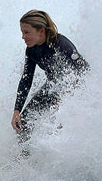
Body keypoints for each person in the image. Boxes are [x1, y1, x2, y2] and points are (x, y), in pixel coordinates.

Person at [11, 9, 89, 140]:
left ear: (41, 31)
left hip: (73, 91)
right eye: (22, 32)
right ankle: (24, 159)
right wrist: (17, 110)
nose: (23, 37)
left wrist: (72, 96)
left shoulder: (61, 44)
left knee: (58, 126)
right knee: (23, 123)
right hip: (52, 88)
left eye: (26, 32)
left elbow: (84, 69)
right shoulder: (31, 50)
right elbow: (26, 79)